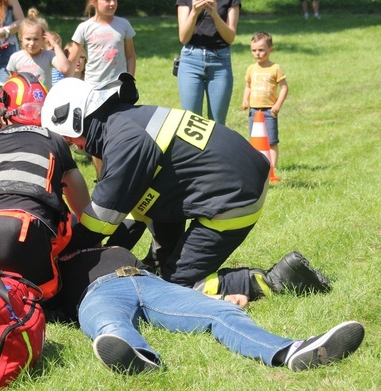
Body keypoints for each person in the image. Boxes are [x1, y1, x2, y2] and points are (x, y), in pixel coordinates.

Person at [41, 76, 278, 296]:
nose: (72, 144)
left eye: (68, 138)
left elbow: (100, 221)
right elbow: (135, 210)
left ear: (76, 119)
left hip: (234, 197)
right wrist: (108, 250)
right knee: (157, 269)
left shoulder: (125, 141)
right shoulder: (124, 121)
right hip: (232, 178)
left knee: (176, 286)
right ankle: (162, 266)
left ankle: (274, 280)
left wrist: (60, 253)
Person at [54, 246, 365, 375]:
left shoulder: (112, 245)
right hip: (96, 294)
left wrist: (218, 299)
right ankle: (139, 358)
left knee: (219, 315)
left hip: (148, 282)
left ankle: (292, 350)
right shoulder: (50, 269)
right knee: (109, 325)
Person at [0, 73, 90, 299]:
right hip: (24, 231)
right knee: (39, 295)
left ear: (3, 110)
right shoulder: (54, 140)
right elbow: (83, 208)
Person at [176, 0, 240, 125]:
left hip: (219, 62)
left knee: (217, 124)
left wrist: (214, 14)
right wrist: (195, 12)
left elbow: (230, 37)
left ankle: (216, 155)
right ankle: (193, 156)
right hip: (190, 60)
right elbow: (183, 37)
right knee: (191, 123)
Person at [68, 0, 135, 86]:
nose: (112, 3)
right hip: (92, 87)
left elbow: (130, 56)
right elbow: (72, 61)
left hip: (118, 86)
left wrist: (129, 81)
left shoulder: (124, 25)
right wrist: (67, 85)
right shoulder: (84, 28)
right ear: (93, 1)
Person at [241, 32, 288, 171]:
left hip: (269, 110)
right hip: (254, 111)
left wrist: (278, 104)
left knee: (272, 140)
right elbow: (248, 86)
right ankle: (257, 167)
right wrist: (245, 99)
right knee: (255, 140)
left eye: (261, 50)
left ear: (270, 50)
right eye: (254, 50)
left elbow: (284, 87)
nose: (257, 54)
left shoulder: (275, 68)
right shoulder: (251, 68)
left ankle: (272, 167)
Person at [6, 8, 70, 89]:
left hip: (44, 100)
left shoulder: (49, 56)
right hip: (23, 100)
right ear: (21, 37)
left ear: (43, 38)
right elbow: (12, 83)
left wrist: (55, 45)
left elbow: (65, 69)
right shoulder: (15, 58)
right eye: (28, 39)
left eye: (36, 39)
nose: (32, 43)